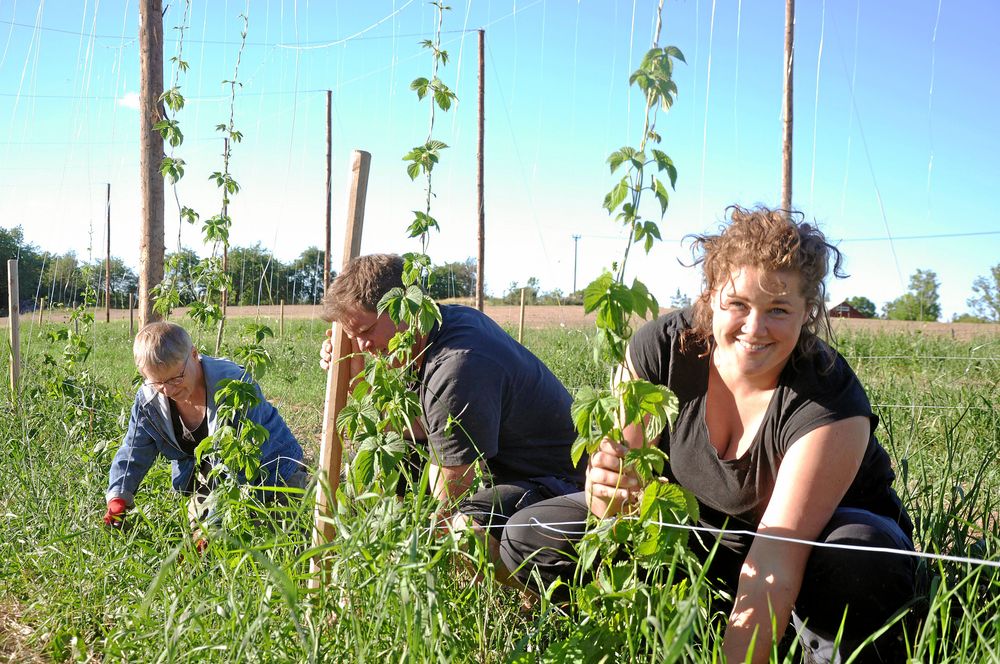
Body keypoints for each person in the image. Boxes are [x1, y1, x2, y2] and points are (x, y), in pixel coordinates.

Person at [499, 206, 922, 663]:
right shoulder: (663, 350)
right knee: (530, 534)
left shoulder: (828, 400)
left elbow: (776, 561)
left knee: (856, 557)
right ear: (710, 296)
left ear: (808, 313)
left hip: (809, 549)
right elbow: (625, 506)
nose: (754, 328)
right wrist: (608, 494)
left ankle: (815, 645)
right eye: (737, 304)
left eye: (778, 309)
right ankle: (685, 627)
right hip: (703, 537)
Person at [319, 253, 584, 581]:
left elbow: (450, 495)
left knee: (464, 531)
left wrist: (408, 567)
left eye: (367, 330)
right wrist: (353, 375)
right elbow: (417, 427)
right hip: (508, 471)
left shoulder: (457, 364)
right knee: (388, 456)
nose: (362, 345)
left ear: (404, 307)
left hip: (560, 485)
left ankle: (531, 599)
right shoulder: (435, 328)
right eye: (352, 336)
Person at [104, 321, 307, 532]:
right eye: (157, 382)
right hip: (214, 480)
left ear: (194, 355)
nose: (168, 390)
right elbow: (135, 449)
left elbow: (241, 462)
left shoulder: (235, 387)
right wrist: (118, 496)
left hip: (274, 471)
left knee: (276, 534)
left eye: (175, 378)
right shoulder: (149, 400)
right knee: (201, 536)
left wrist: (214, 522)